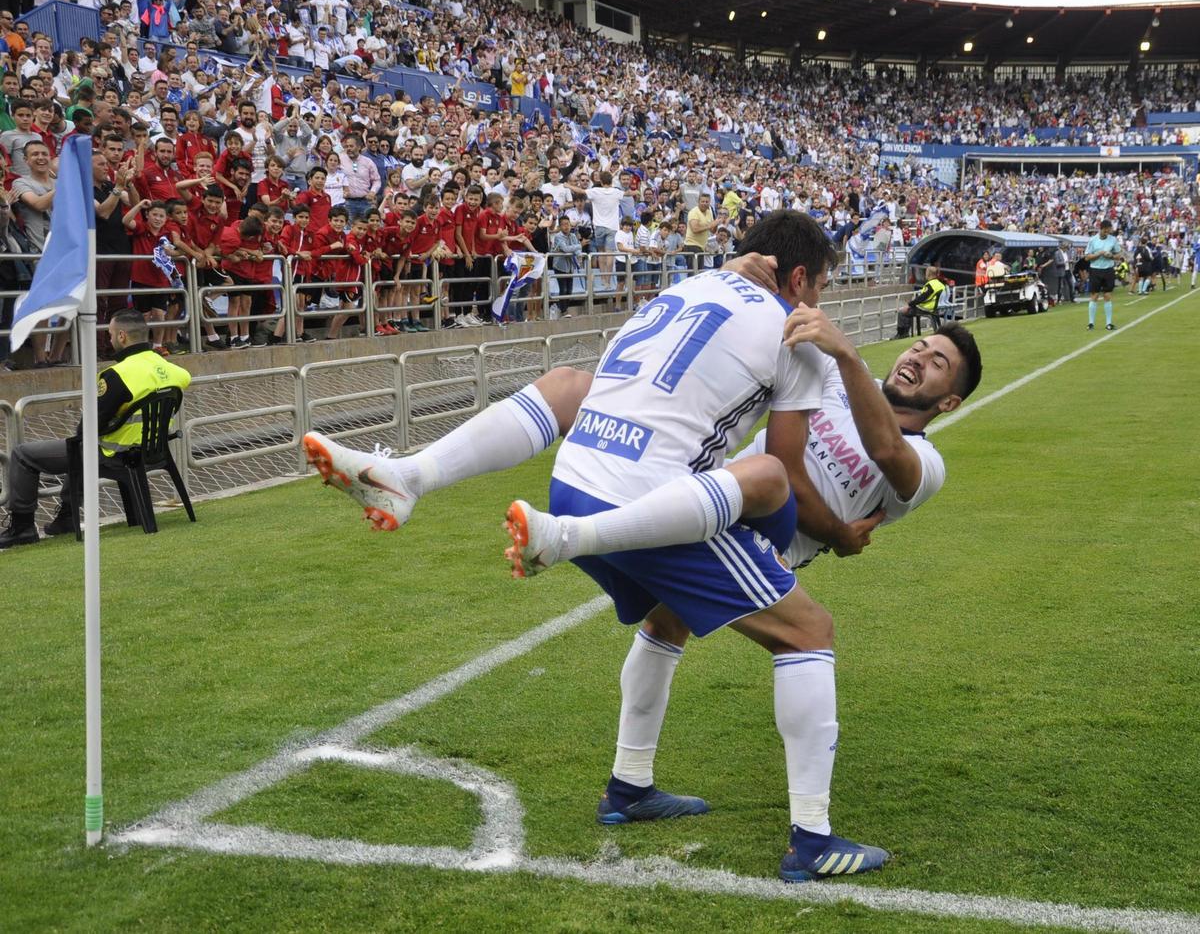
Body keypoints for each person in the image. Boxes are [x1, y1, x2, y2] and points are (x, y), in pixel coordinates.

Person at [306, 211, 901, 881]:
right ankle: (814, 840)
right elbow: (786, 468)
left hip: (573, 476)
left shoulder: (687, 288)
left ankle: (629, 783)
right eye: (819, 286)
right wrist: (838, 532)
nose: (818, 303)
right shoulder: (798, 331)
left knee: (662, 604)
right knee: (806, 627)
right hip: (640, 504)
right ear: (797, 277)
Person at [0, 311, 192, 548]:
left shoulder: (116, 376)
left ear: (122, 336)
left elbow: (87, 428)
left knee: (24, 454)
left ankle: (22, 528)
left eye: (110, 334)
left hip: (115, 453)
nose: (109, 339)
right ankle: (66, 518)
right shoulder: (174, 371)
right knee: (79, 445)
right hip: (152, 450)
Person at [1083, 219, 1120, 331]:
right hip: (1095, 270)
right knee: (1094, 296)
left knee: (1107, 295)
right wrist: (1098, 254)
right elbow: (1087, 257)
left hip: (1108, 269)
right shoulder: (1093, 240)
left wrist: (1111, 256)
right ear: (1101, 229)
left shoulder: (1113, 240)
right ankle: (1091, 323)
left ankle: (1108, 323)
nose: (1107, 233)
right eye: (1106, 231)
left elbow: (1118, 255)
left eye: (1109, 231)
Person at [894, 265, 946, 339]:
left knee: (902, 312)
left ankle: (901, 334)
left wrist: (909, 304)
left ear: (929, 274)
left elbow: (922, 298)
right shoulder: (940, 284)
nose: (925, 274)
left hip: (926, 308)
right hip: (935, 308)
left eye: (926, 272)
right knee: (909, 310)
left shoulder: (930, 285)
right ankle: (905, 333)